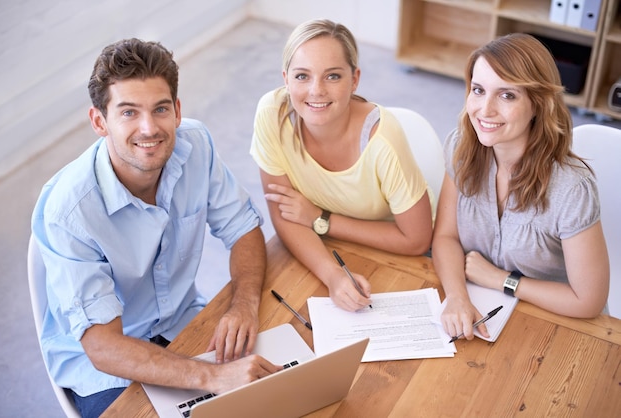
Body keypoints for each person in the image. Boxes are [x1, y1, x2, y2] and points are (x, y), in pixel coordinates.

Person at [31, 38, 281, 418]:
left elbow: (243, 227)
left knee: (281, 395)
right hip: (107, 368)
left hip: (182, 322)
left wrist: (243, 304)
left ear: (177, 111)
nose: (149, 128)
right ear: (100, 121)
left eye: (160, 109)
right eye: (129, 113)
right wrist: (214, 377)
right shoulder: (69, 211)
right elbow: (103, 347)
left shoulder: (195, 145)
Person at [432, 33, 610, 342]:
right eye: (478, 90)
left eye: (507, 95)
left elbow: (589, 301)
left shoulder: (571, 188)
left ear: (538, 105)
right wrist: (457, 297)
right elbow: (445, 237)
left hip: (560, 324)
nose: (484, 110)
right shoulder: (461, 146)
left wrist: (503, 280)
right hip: (485, 311)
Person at [250, 19, 433, 312]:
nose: (316, 91)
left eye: (332, 76)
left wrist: (321, 219)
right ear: (285, 79)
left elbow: (416, 239)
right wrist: (332, 275)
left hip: (396, 252)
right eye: (302, 76)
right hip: (325, 248)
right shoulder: (272, 114)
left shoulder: (382, 139)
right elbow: (285, 213)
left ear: (355, 79)